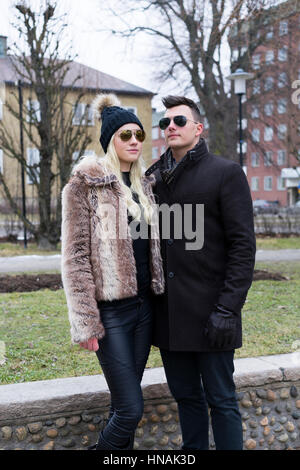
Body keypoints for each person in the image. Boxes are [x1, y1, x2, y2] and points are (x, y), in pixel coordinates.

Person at [145, 95, 256, 450]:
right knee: (187, 399)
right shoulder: (153, 179)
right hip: (170, 316)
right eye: (165, 123)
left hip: (214, 315)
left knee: (221, 400)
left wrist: (228, 309)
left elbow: (243, 248)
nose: (171, 128)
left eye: (179, 121)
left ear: (198, 128)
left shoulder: (226, 173)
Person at [61, 93, 164, 450]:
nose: (135, 141)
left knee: (123, 404)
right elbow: (74, 258)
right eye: (126, 135)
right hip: (111, 314)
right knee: (131, 409)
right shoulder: (84, 186)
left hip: (143, 309)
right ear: (109, 140)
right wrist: (86, 322)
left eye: (139, 135)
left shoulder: (143, 187)